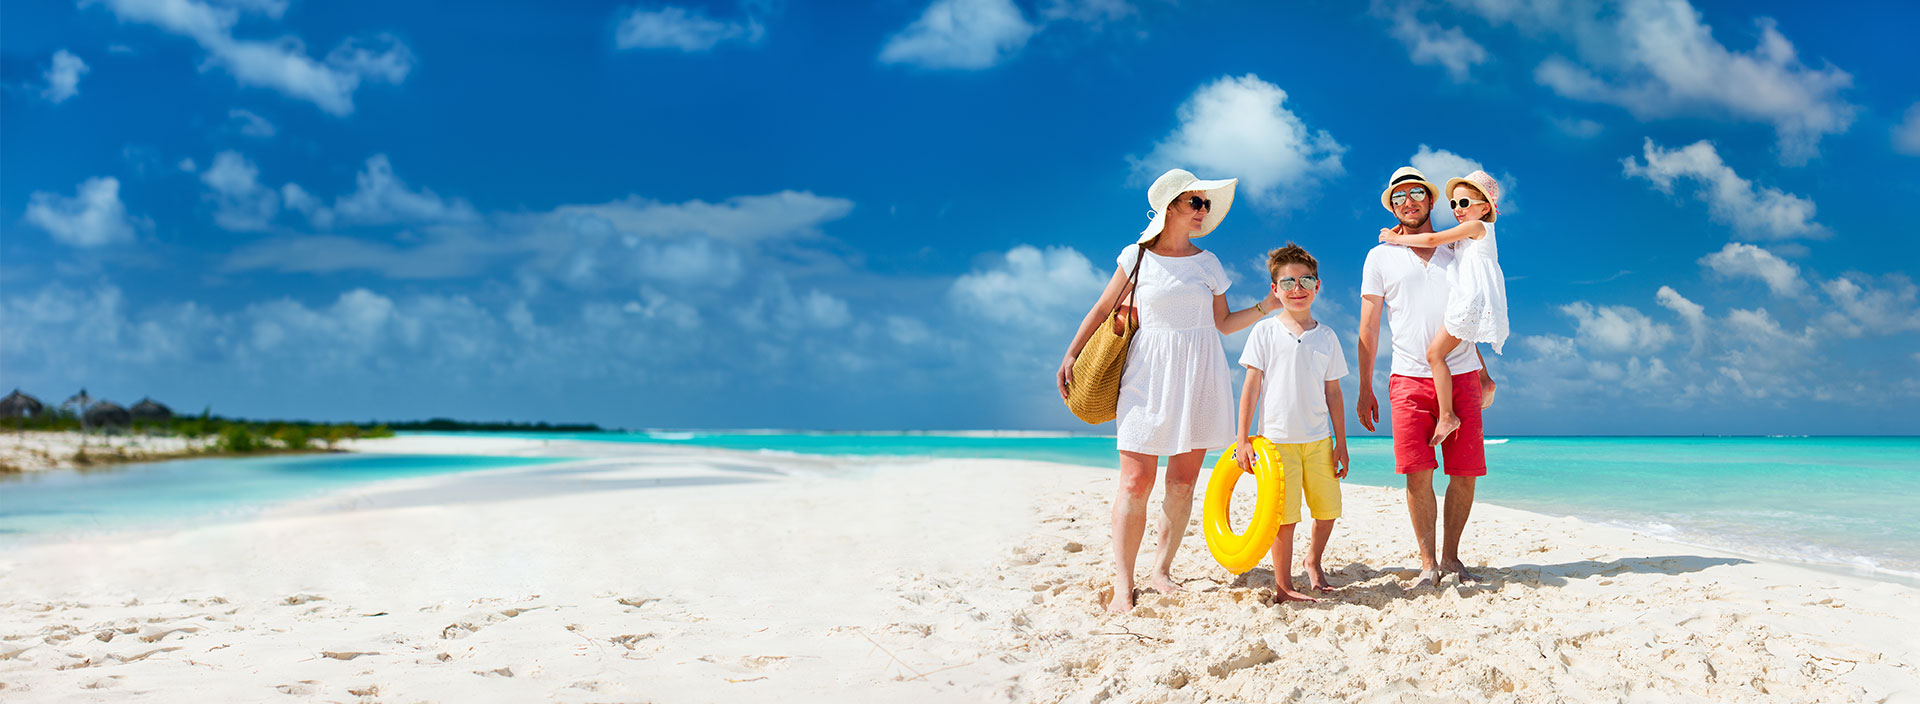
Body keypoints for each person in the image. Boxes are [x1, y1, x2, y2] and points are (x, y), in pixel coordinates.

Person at [1057, 168, 1281, 613]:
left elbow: (1222, 324)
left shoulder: (1208, 264)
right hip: (1146, 376)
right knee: (1136, 483)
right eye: (1195, 202)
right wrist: (1071, 354)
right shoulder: (1136, 257)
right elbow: (1103, 308)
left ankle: (1160, 571)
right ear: (1171, 207)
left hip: (1200, 375)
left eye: (1205, 204)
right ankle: (1123, 583)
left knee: (1181, 485)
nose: (1203, 211)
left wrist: (1264, 307)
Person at [1357, 166, 1488, 588]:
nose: (1407, 202)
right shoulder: (1380, 255)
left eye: (1415, 193)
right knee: (1417, 472)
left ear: (1430, 200)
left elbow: (1468, 314)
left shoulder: (1460, 246)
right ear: (1392, 205)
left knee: (1464, 472)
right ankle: (1428, 561)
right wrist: (1364, 386)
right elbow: (1369, 325)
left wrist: (1484, 371)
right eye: (1398, 197)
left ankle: (1451, 557)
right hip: (1408, 378)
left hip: (1463, 371)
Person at [1232, 243, 1350, 603]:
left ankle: (1313, 561)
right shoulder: (1264, 333)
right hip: (1277, 442)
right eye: (1288, 282)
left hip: (1317, 439)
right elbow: (1251, 388)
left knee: (1329, 509)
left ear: (1317, 286)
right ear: (1275, 290)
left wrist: (1340, 442)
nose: (1297, 288)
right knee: (1284, 518)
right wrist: (1243, 439)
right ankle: (1284, 585)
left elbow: (1334, 394)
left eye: (1305, 280)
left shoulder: (1327, 336)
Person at [1378, 170, 1509, 445]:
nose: (1457, 210)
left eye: (1464, 203)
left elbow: (1431, 240)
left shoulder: (1476, 227)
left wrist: (1396, 238)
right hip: (1470, 296)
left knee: (1435, 353)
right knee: (1459, 337)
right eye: (1453, 204)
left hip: (1471, 297)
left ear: (1485, 207)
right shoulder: (1469, 234)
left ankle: (1447, 415)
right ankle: (1485, 379)